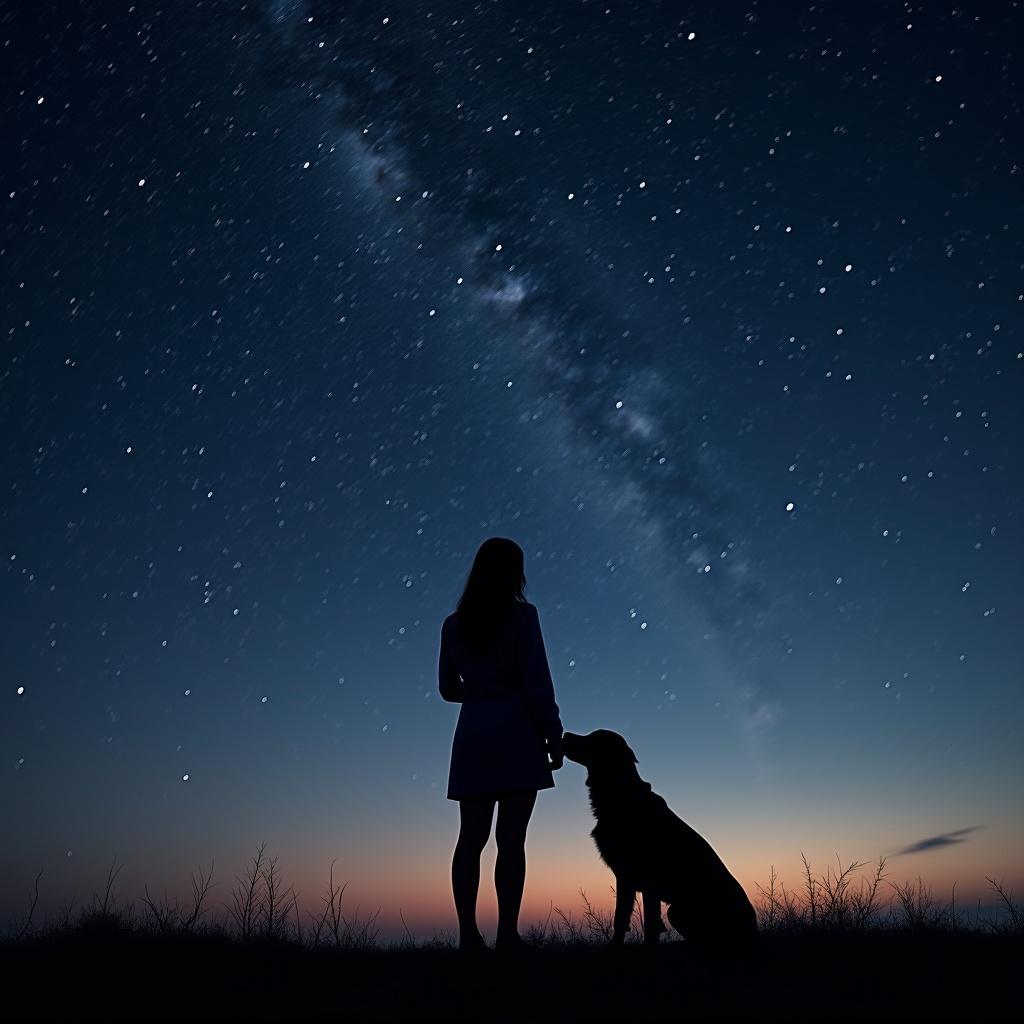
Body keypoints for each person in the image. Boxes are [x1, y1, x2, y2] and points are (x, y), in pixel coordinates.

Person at [438, 537, 564, 953]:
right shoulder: (523, 617)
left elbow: (446, 689)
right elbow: (537, 680)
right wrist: (552, 732)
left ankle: (467, 936)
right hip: (517, 730)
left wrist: (479, 693)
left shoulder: (454, 624)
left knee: (470, 838)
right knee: (512, 839)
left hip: (473, 730)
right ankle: (507, 934)